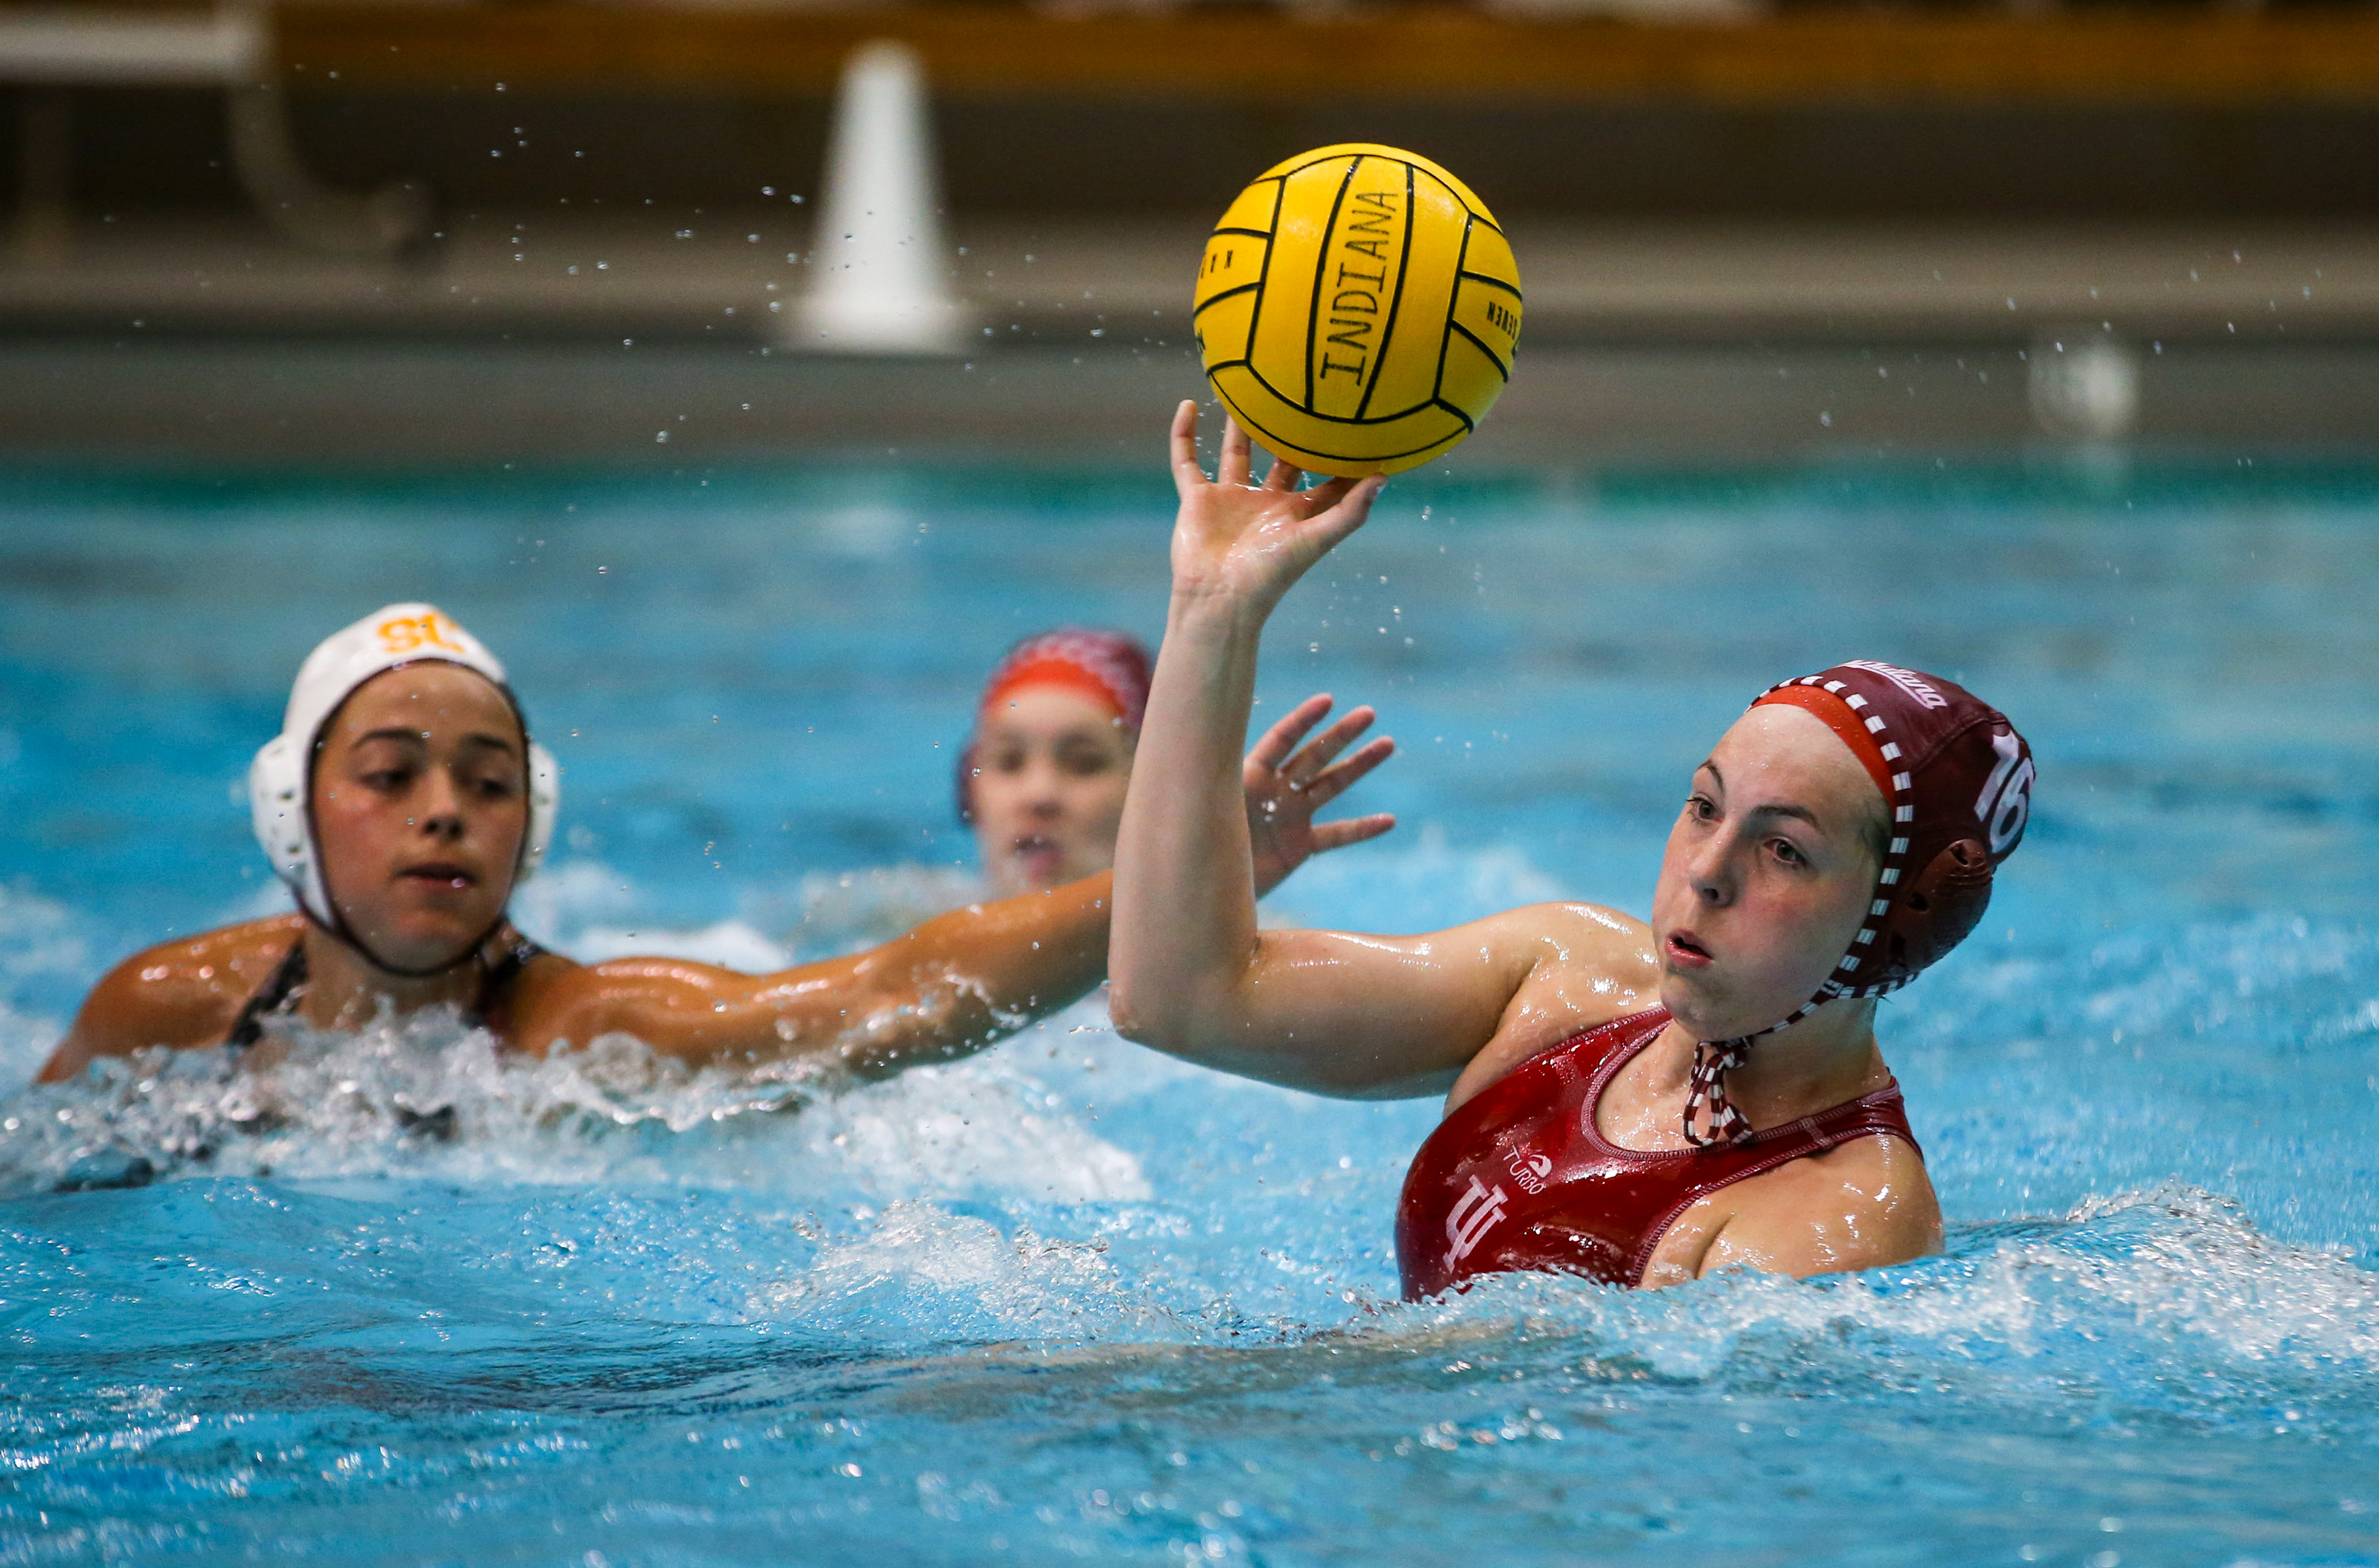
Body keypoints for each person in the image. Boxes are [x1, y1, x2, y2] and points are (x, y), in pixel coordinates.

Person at [1108, 405, 2036, 1294]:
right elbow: (1181, 1000)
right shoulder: (1569, 975)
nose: (1706, 874)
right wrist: (1213, 610)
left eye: (1784, 851)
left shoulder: (1836, 1217)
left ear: (1899, 921)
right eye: (1704, 808)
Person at [36, 600, 1393, 1088]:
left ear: (536, 821)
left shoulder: (597, 1028)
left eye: (487, 779)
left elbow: (887, 991)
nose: (444, 807)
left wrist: (1183, 866)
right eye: (390, 773)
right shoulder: (164, 1013)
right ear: (289, 809)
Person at [958, 626, 1392, 897]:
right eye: (1010, 762)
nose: (1039, 796)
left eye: (1084, 764)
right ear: (969, 787)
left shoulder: (1227, 951)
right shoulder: (909, 927)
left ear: (1152, 793)